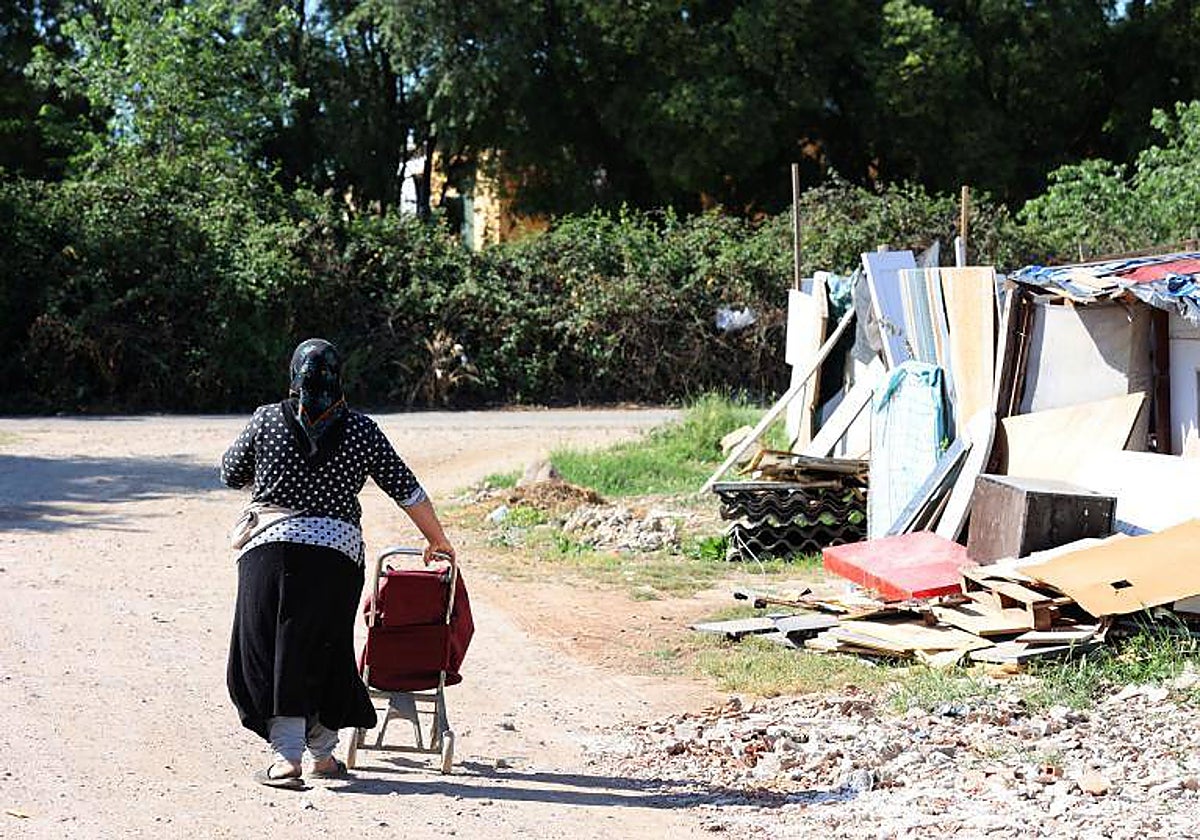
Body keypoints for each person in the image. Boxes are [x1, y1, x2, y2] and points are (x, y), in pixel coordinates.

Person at [221, 337, 455, 788]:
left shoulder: (266, 419)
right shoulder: (362, 430)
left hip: (269, 550)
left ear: (293, 376)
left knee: (269, 650)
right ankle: (322, 754)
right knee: (323, 647)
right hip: (336, 556)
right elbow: (406, 489)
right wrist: (437, 539)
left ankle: (286, 758)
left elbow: (230, 473)